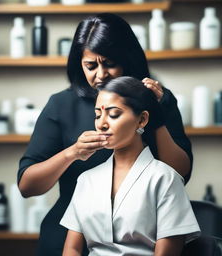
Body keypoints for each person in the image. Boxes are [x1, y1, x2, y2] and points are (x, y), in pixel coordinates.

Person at [17, 13, 193, 256]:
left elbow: (179, 173)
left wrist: (157, 114)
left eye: (109, 63)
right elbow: (27, 186)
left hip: (141, 240)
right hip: (67, 240)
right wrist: (72, 153)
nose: (100, 75)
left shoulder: (157, 100)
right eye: (90, 66)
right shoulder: (61, 105)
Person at [60, 76, 200, 256]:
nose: (101, 124)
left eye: (113, 114)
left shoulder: (165, 179)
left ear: (142, 120)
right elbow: (71, 249)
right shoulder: (87, 180)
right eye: (97, 115)